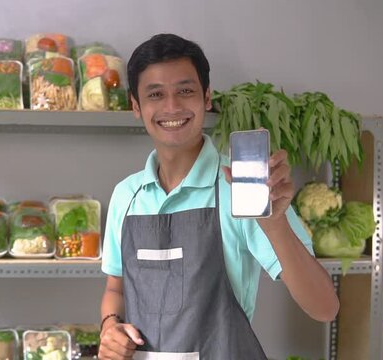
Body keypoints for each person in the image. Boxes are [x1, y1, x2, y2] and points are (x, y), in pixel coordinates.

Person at [98, 34, 339, 360]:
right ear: (136, 107)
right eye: (156, 94)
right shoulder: (126, 195)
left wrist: (275, 224)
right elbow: (116, 288)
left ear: (206, 98)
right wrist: (110, 326)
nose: (172, 106)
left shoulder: (241, 188)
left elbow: (325, 307)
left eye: (185, 90)